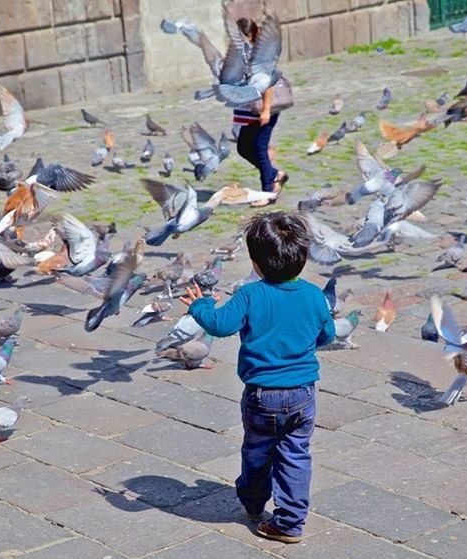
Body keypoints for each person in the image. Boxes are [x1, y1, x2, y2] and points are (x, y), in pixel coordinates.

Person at [180, 212, 335, 543]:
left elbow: (219, 325)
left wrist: (201, 305)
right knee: (295, 454)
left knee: (257, 452)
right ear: (304, 258)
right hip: (303, 395)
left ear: (255, 261)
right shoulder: (314, 295)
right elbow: (326, 336)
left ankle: (252, 503)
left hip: (263, 396)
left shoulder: (250, 295)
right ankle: (290, 522)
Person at [233, 17, 288, 205]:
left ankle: (268, 192)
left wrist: (266, 109)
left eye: (243, 36)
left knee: (259, 147)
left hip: (265, 108)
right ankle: (274, 174)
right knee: (243, 147)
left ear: (251, 35)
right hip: (249, 110)